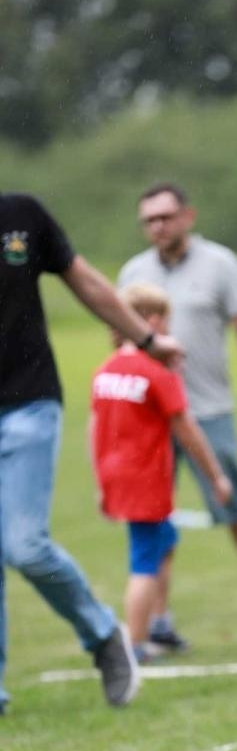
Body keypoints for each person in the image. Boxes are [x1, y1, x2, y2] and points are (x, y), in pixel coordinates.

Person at [0, 191, 184, 714]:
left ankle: (104, 634)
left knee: (25, 547)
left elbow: (86, 283)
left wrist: (147, 340)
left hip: (26, 403)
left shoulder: (21, 216)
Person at [118, 181, 237, 651]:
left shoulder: (220, 263)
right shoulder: (133, 272)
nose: (157, 226)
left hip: (207, 410)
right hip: (151, 418)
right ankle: (160, 620)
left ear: (187, 216)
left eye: (165, 217)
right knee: (155, 516)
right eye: (149, 220)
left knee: (232, 504)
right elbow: (119, 345)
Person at [90, 282, 233, 664]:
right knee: (144, 561)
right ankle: (134, 647)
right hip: (146, 480)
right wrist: (216, 476)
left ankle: (158, 624)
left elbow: (94, 427)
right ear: (151, 321)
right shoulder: (156, 372)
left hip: (116, 476)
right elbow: (188, 431)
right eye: (166, 322)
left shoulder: (105, 371)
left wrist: (100, 482)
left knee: (164, 541)